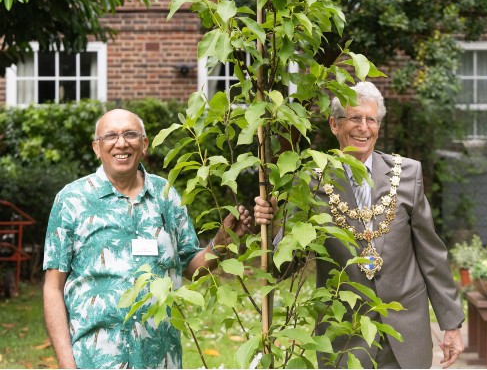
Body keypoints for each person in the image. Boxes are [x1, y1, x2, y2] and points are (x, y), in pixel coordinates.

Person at [254, 82, 465, 369]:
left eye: (371, 119)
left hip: (406, 334)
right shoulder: (310, 182)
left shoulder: (407, 174)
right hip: (344, 336)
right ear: (334, 124)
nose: (363, 127)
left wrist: (451, 325)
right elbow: (284, 268)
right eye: (354, 118)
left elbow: (431, 255)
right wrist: (275, 222)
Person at [43, 109, 252, 369]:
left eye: (130, 134)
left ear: (144, 145)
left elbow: (191, 268)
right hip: (94, 360)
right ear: (97, 148)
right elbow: (53, 287)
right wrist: (66, 364)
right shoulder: (71, 200)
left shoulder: (167, 196)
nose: (121, 143)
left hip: (161, 359)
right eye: (110, 136)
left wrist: (222, 241)